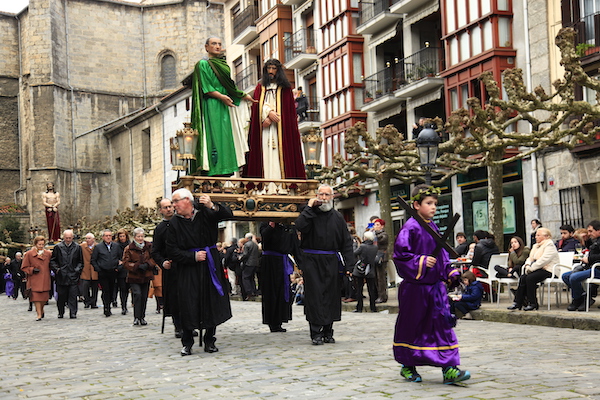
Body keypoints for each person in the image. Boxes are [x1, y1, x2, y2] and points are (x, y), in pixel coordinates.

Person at [393, 184, 470, 385]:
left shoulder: (433, 227)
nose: (434, 207)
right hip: (414, 290)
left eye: (435, 203)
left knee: (442, 325)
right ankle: (408, 366)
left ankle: (449, 369)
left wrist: (450, 272)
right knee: (413, 326)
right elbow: (400, 256)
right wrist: (420, 261)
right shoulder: (410, 227)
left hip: (435, 290)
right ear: (416, 205)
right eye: (429, 203)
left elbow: (443, 254)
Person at [167, 189, 233, 356]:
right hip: (188, 267)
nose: (174, 205)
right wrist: (192, 256)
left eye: (176, 201)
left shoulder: (204, 211)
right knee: (188, 302)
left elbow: (227, 214)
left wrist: (212, 205)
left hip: (210, 264)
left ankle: (210, 340)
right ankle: (187, 342)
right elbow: (172, 250)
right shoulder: (174, 222)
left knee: (210, 299)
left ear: (188, 201)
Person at [295, 184, 354, 345]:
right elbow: (299, 226)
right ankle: (315, 333)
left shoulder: (337, 217)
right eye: (320, 194)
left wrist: (349, 266)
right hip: (312, 261)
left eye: (327, 195)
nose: (323, 198)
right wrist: (309, 207)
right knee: (314, 297)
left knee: (331, 296)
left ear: (332, 197)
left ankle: (328, 331)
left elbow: (346, 243)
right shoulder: (309, 214)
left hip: (331, 261)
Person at [190, 37, 255, 176]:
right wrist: (221, 97)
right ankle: (213, 169)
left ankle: (226, 168)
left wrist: (243, 95)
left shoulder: (224, 64)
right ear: (206, 47)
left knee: (226, 135)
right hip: (212, 104)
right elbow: (206, 87)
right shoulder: (202, 64)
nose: (218, 46)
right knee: (213, 135)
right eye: (214, 44)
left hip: (225, 104)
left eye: (220, 44)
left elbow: (230, 86)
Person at [243, 59, 306, 182]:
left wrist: (274, 117)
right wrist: (266, 115)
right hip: (264, 130)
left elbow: (288, 112)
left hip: (281, 130)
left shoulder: (286, 89)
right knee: (264, 156)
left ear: (278, 71)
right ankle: (264, 187)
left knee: (280, 156)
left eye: (274, 68)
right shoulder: (260, 88)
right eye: (269, 68)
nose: (271, 71)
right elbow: (255, 106)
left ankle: (282, 187)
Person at [259, 221, 300, 332]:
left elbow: (295, 246)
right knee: (271, 292)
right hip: (270, 263)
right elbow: (264, 237)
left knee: (283, 292)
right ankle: (272, 321)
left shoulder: (289, 227)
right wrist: (271, 226)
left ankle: (280, 319)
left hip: (282, 262)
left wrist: (301, 264)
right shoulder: (265, 225)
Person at [152, 198, 183, 337]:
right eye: (165, 207)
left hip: (184, 265)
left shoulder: (182, 222)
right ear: (161, 210)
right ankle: (178, 326)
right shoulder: (159, 229)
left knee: (187, 296)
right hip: (170, 268)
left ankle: (189, 324)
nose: (169, 209)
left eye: (170, 206)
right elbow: (155, 251)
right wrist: (163, 262)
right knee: (175, 298)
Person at [508, 227, 560, 311]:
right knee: (523, 277)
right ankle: (518, 302)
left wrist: (531, 268)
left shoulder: (550, 245)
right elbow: (530, 258)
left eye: (538, 235)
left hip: (549, 270)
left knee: (530, 278)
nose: (536, 237)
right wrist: (528, 265)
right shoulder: (535, 246)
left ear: (546, 236)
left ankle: (533, 303)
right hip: (536, 268)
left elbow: (544, 260)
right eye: (536, 235)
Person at [562, 220, 600, 311]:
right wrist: (585, 240)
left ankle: (577, 299)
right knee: (565, 276)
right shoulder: (595, 240)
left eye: (591, 231)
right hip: (590, 267)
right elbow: (593, 248)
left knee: (574, 277)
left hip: (597, 269)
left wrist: (589, 259)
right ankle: (583, 297)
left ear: (599, 230)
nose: (589, 233)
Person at [122, 228, 156, 326]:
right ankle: (136, 317)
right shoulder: (129, 248)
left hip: (146, 274)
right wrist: (136, 266)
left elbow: (154, 258)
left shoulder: (149, 246)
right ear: (134, 237)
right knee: (137, 295)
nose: (140, 238)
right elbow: (125, 262)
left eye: (142, 236)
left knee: (144, 296)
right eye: (138, 236)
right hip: (134, 275)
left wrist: (148, 264)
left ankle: (142, 317)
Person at [50, 229, 83, 319]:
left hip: (73, 275)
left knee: (73, 295)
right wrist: (57, 270)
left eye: (70, 238)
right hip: (61, 275)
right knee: (61, 296)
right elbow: (53, 260)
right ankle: (61, 311)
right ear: (63, 237)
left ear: (72, 237)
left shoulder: (77, 247)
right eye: (66, 238)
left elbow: (81, 261)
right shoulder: (58, 247)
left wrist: (77, 270)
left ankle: (73, 312)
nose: (68, 239)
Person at [91, 229, 122, 317]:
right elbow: (93, 260)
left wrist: (119, 267)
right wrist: (98, 269)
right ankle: (106, 307)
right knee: (106, 290)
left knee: (112, 290)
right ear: (103, 237)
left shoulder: (116, 246)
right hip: (103, 272)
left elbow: (121, 258)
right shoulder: (98, 247)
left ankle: (111, 302)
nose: (108, 237)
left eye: (109, 236)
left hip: (113, 271)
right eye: (106, 236)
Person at [22, 236, 52, 321]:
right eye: (39, 244)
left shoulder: (48, 254)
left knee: (43, 298)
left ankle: (41, 310)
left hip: (45, 278)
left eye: (42, 244)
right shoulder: (29, 254)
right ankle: (38, 313)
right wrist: (31, 270)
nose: (41, 246)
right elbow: (24, 267)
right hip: (34, 279)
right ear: (35, 244)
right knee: (36, 298)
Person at [352, 230, 378, 313]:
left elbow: (355, 253)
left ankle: (359, 307)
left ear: (365, 237)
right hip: (370, 269)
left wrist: (355, 246)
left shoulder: (363, 246)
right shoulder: (375, 247)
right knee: (371, 289)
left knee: (359, 288)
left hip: (361, 269)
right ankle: (373, 307)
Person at [80, 233, 99, 309]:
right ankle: (87, 301)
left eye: (89, 238)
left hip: (95, 269)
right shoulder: (81, 247)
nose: (87, 240)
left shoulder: (97, 246)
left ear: (93, 239)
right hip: (85, 269)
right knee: (85, 286)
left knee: (95, 287)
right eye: (86, 238)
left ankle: (94, 302)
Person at [114, 228, 130, 315]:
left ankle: (130, 303)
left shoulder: (130, 245)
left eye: (123, 236)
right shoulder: (116, 245)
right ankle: (123, 306)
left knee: (128, 288)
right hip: (121, 270)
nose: (122, 238)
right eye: (120, 236)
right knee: (122, 289)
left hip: (129, 269)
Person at [373, 218, 389, 304]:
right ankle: (378, 295)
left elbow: (381, 240)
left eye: (377, 225)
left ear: (382, 226)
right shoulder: (374, 234)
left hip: (381, 257)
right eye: (375, 225)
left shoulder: (383, 234)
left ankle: (382, 296)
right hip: (375, 256)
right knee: (376, 277)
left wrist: (373, 235)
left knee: (381, 277)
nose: (375, 226)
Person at [239, 232, 259, 301]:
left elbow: (245, 255)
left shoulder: (247, 245)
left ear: (247, 238)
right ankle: (254, 291)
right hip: (255, 263)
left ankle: (249, 292)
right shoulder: (255, 245)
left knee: (246, 277)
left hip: (248, 263)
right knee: (252, 277)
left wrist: (240, 258)